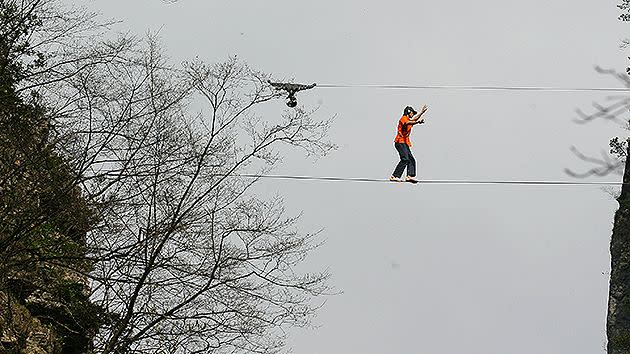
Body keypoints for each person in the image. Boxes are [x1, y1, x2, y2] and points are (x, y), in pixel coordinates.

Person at [390, 104, 428, 183]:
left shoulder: (409, 120)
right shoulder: (404, 119)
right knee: (405, 159)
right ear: (408, 112)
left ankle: (409, 176)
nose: (413, 114)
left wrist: (421, 112)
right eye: (412, 113)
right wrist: (417, 122)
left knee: (411, 159)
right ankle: (394, 176)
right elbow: (407, 123)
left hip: (405, 143)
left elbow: (413, 120)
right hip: (399, 142)